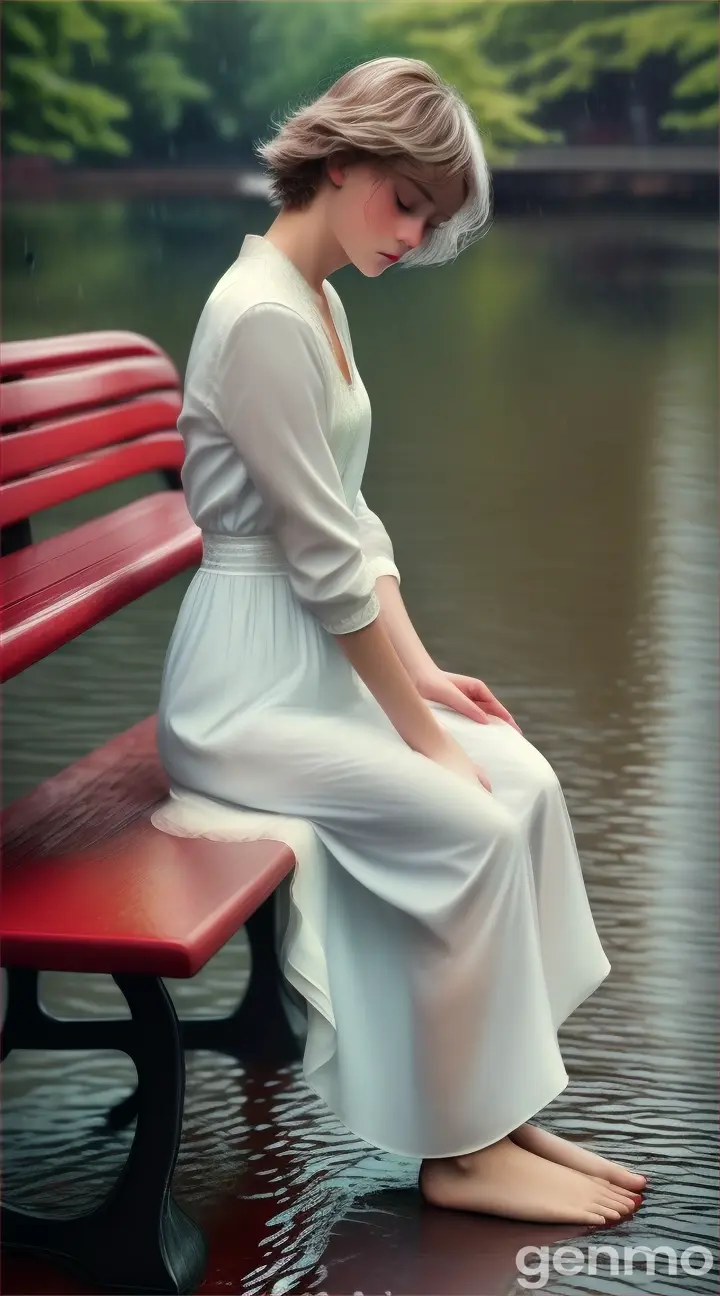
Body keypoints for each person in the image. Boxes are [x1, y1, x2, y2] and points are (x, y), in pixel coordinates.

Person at [156, 56, 647, 1223]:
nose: (417, 236)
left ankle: (496, 1107)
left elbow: (352, 524)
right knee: (464, 820)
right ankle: (458, 1156)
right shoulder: (263, 317)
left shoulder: (313, 300)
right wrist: (416, 735)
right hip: (245, 695)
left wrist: (424, 680)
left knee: (517, 779)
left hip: (311, 662)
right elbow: (324, 567)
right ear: (341, 161)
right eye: (408, 201)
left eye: (431, 216)